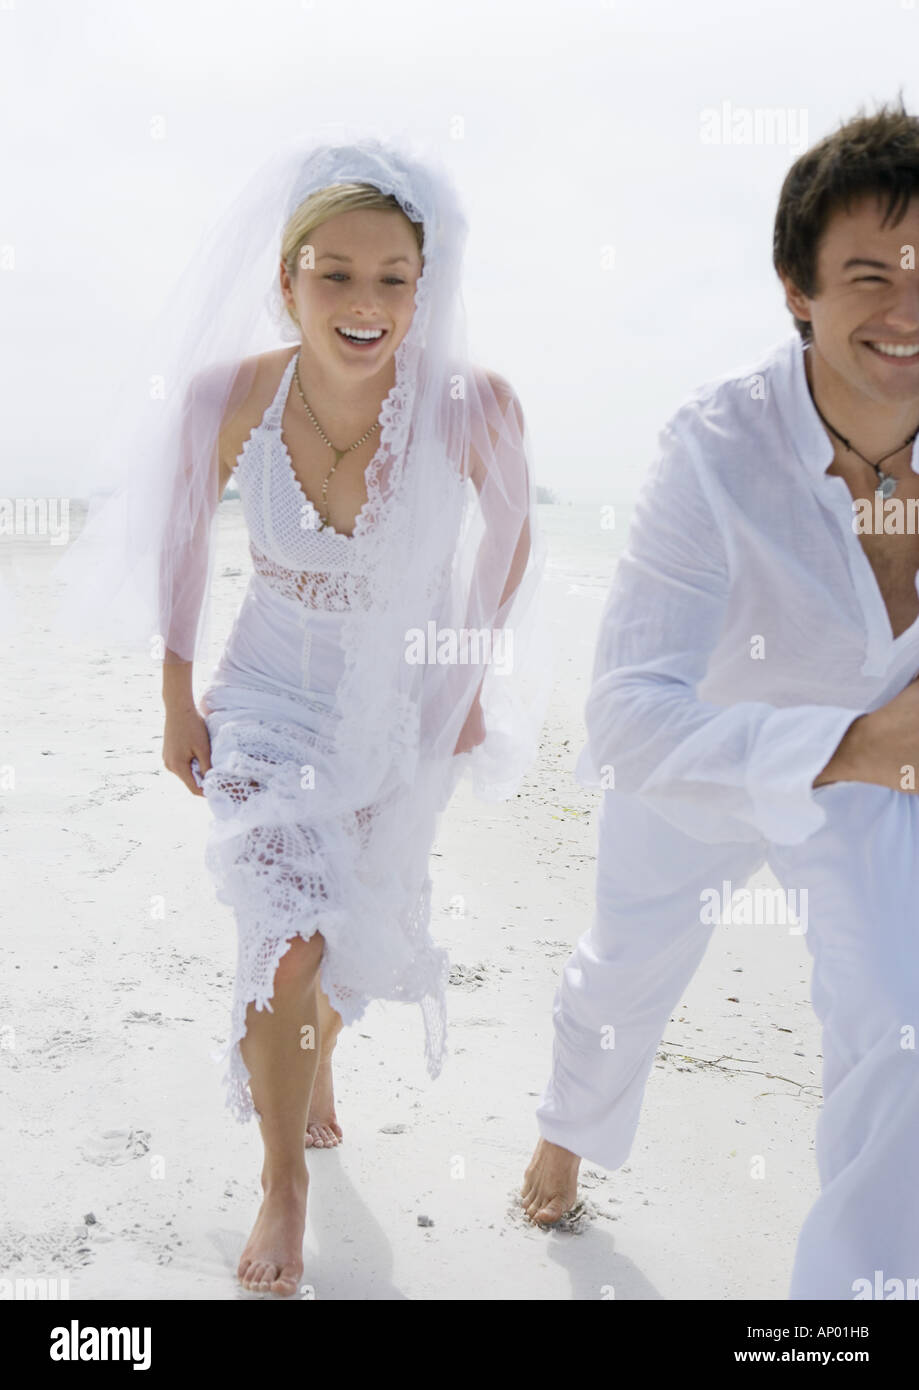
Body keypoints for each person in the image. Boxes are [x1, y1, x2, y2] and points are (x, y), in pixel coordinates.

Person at [53, 135, 547, 1297]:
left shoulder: (475, 408)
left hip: (394, 712)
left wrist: (466, 679)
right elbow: (179, 534)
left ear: (425, 290)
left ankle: (318, 1063)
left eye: (392, 278)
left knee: (353, 929)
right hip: (266, 697)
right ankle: (285, 1178)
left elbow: (512, 536)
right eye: (335, 274)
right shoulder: (233, 395)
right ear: (288, 281)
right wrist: (176, 690)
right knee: (283, 937)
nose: (363, 303)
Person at [523, 101, 919, 1300]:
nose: (904, 311)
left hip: (881, 790)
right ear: (795, 287)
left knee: (900, 1020)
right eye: (867, 276)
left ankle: (857, 1300)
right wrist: (847, 742)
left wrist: (872, 760)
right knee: (625, 970)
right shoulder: (709, 451)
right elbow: (625, 716)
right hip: (707, 755)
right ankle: (563, 1134)